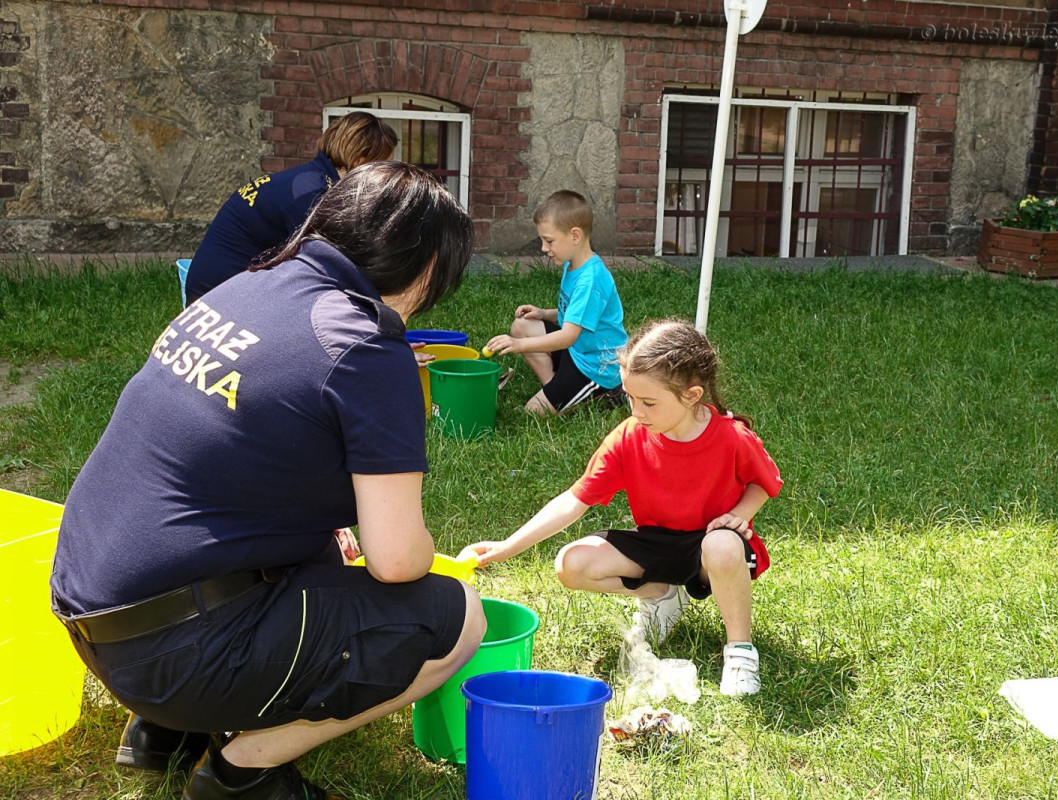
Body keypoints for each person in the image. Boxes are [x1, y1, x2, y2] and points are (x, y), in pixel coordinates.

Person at [50, 162, 486, 800]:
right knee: (460, 619)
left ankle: (162, 732)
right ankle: (241, 770)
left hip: (88, 612)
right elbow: (395, 560)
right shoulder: (365, 344)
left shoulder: (244, 286)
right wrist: (420, 554)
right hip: (175, 654)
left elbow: (243, 458)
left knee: (310, 547)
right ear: (425, 271)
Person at [463, 320, 783, 696]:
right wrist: (507, 546)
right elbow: (574, 500)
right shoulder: (630, 435)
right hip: (656, 543)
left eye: (649, 402)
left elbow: (765, 482)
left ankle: (740, 651)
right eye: (630, 397)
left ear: (693, 395)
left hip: (711, 547)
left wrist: (739, 516)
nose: (637, 410)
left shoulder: (731, 436)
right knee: (571, 563)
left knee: (723, 545)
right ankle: (660, 595)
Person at [184, 111, 398, 304]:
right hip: (219, 299)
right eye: (384, 165)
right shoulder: (310, 192)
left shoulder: (308, 180)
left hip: (221, 289)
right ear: (360, 160)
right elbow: (330, 268)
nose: (385, 175)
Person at [484, 190, 627, 415]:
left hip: (595, 367)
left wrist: (518, 345)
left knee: (532, 412)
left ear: (575, 236)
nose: (543, 248)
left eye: (549, 241)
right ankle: (554, 388)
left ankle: (604, 394)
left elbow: (568, 335)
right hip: (577, 349)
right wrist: (544, 314)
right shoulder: (573, 265)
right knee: (522, 325)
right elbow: (575, 315)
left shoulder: (590, 280)